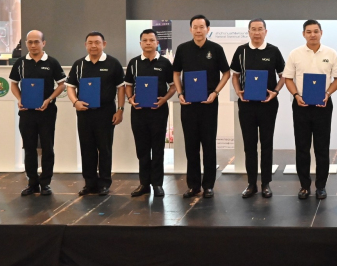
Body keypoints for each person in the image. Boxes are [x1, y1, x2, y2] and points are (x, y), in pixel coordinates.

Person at [172, 15, 231, 199]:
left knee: (209, 145)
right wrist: (180, 94)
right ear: (190, 29)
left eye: (202, 27)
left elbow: (226, 73)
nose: (198, 30)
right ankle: (193, 185)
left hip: (209, 104)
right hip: (188, 104)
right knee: (191, 146)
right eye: (195, 27)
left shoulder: (216, 49)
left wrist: (215, 92)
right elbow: (176, 73)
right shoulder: (182, 49)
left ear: (208, 29)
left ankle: (208, 186)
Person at [283, 20, 337, 200]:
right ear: (304, 34)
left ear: (321, 33)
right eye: (309, 32)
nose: (312, 35)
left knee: (322, 147)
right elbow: (288, 78)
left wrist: (327, 93)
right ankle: (304, 186)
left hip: (323, 105)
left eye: (316, 31)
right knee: (302, 147)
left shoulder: (331, 53)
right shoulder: (295, 54)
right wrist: (296, 95)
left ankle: (321, 186)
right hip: (301, 105)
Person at [230, 19, 285, 199]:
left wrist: (275, 92)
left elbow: (284, 76)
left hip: (268, 105)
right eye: (253, 29)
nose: (256, 32)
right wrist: (238, 91)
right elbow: (235, 76)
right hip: (246, 105)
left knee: (267, 143)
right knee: (249, 144)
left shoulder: (273, 51)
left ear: (265, 32)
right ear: (249, 32)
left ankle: (266, 183)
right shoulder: (241, 51)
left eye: (260, 29)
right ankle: (251, 183)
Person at [66, 32, 125, 196]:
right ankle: (89, 183)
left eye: (97, 42)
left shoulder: (113, 63)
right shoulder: (79, 65)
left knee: (104, 149)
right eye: (90, 42)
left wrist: (120, 109)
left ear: (104, 44)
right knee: (87, 148)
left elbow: (121, 88)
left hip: (106, 112)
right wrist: (75, 102)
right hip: (84, 113)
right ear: (85, 45)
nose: (93, 46)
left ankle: (104, 183)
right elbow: (70, 86)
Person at [9, 30, 66, 196]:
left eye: (36, 42)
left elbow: (62, 84)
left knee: (48, 147)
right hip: (27, 112)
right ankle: (32, 183)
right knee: (29, 148)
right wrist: (19, 99)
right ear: (26, 44)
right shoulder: (20, 63)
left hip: (47, 112)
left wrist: (49, 99)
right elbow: (13, 84)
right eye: (30, 42)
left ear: (43, 43)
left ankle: (45, 183)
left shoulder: (52, 62)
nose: (33, 45)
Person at [124, 29, 176, 198]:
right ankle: (144, 184)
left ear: (157, 43)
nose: (148, 43)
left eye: (151, 40)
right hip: (138, 112)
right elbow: (128, 85)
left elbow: (173, 86)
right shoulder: (134, 63)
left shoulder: (165, 63)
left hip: (158, 112)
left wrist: (164, 99)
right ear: (140, 43)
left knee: (158, 148)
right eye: (145, 40)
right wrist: (130, 99)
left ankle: (158, 184)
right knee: (142, 149)